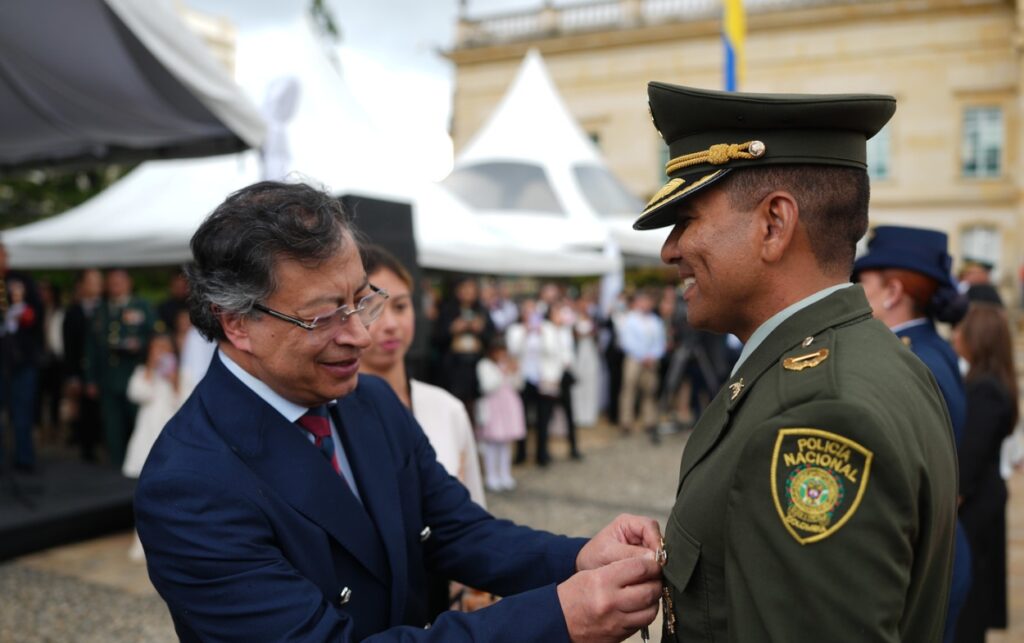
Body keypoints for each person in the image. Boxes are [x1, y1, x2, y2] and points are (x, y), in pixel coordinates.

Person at [134, 181, 663, 642]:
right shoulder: (190, 485)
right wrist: (558, 617)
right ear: (237, 324)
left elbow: (455, 531)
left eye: (363, 301)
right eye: (323, 317)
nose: (361, 335)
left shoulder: (369, 400)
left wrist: (578, 559)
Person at [635, 83, 957, 640]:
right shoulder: (873, 358)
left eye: (687, 218)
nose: (670, 249)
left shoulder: (819, 413)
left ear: (774, 224)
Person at [853, 225, 971, 642]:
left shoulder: (913, 361)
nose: (854, 295)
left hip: (919, 562)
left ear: (892, 292)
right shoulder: (928, 349)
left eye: (861, 284)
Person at [357, 244, 486, 507]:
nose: (391, 324)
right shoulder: (329, 418)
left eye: (401, 306)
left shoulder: (447, 408)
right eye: (372, 309)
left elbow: (475, 513)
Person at [951, 302, 1017, 643]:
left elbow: (971, 460)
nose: (955, 335)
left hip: (977, 503)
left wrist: (951, 502)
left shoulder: (985, 388)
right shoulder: (984, 381)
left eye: (962, 329)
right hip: (983, 497)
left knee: (972, 595)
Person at [123, 333, 194, 560]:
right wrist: (150, 369)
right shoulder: (142, 374)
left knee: (177, 491)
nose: (161, 353)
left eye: (165, 348)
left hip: (175, 443)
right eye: (156, 349)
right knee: (145, 491)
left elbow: (186, 404)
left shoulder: (184, 375)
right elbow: (137, 394)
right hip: (147, 438)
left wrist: (174, 380)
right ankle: (141, 540)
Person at [84, 268, 155, 469]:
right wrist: (90, 378)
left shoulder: (141, 305)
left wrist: (139, 345)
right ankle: (116, 464)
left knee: (136, 420)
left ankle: (139, 463)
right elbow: (90, 347)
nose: (115, 286)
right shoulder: (101, 309)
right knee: (111, 424)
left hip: (133, 374)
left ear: (128, 283)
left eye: (119, 282)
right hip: (108, 376)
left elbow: (154, 336)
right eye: (112, 282)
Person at [0, 244, 44, 473]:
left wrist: (21, 311)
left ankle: (24, 458)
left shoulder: (21, 281)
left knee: (22, 412)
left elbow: (36, 314)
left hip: (22, 359)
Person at [431, 276, 494, 424]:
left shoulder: (482, 311)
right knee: (453, 405)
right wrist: (452, 329)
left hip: (475, 366)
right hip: (453, 367)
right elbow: (436, 338)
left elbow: (492, 338)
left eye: (470, 289)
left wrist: (481, 329)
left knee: (473, 408)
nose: (467, 292)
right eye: (463, 289)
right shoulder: (448, 310)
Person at [63, 268, 104, 462]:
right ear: (81, 285)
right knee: (87, 411)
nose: (97, 285)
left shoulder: (106, 308)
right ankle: (88, 448)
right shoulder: (73, 312)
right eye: (92, 281)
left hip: (104, 369)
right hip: (81, 368)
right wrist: (72, 376)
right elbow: (69, 347)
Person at [476, 336, 527, 492]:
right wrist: (502, 372)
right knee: (492, 444)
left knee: (505, 444)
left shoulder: (507, 365)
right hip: (493, 407)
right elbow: (487, 386)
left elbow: (518, 385)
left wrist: (516, 372)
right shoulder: (484, 365)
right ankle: (491, 476)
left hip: (508, 406)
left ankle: (505, 474)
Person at [616, 290, 666, 434]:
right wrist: (642, 355)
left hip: (651, 360)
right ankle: (626, 421)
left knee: (649, 391)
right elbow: (627, 341)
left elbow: (660, 342)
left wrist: (653, 356)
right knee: (629, 389)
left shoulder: (655, 320)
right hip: (634, 358)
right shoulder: (630, 319)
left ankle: (649, 420)